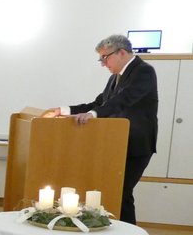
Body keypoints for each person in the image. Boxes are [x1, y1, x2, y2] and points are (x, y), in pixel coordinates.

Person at [45, 34, 158, 225]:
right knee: (113, 192)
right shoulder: (115, 77)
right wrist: (64, 111)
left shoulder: (144, 71)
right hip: (115, 143)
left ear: (121, 52)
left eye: (105, 57)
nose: (103, 64)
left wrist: (94, 115)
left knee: (122, 193)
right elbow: (99, 102)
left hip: (136, 145)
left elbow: (123, 100)